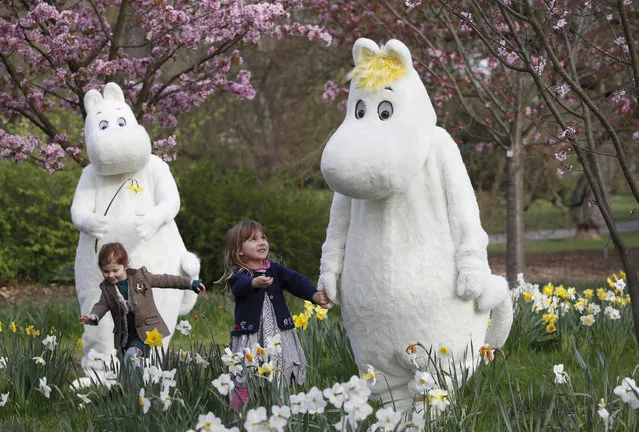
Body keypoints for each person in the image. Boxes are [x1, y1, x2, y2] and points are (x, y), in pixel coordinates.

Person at [218, 220, 330, 409]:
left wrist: (313, 294)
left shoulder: (276, 270)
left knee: (278, 371)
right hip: (251, 334)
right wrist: (254, 283)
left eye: (263, 237)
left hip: (278, 333)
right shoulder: (239, 274)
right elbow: (239, 286)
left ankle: (278, 413)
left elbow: (296, 281)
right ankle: (239, 414)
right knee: (244, 372)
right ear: (239, 251)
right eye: (253, 239)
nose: (261, 242)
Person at [79, 242, 205, 365]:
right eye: (106, 272)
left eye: (115, 270)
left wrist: (190, 283)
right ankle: (129, 386)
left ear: (125, 265)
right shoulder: (107, 288)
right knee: (128, 365)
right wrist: (93, 316)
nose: (111, 275)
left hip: (146, 332)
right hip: (125, 335)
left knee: (132, 356)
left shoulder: (141, 277)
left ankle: (134, 384)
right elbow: (101, 305)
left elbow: (166, 280)